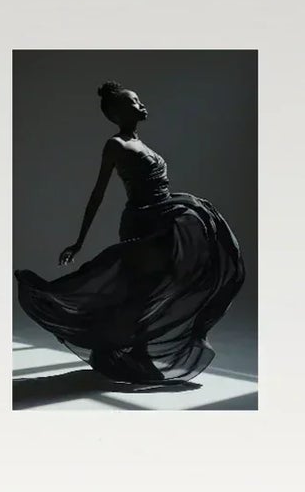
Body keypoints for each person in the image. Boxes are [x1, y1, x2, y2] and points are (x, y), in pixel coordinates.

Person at [15, 80, 246, 387]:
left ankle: (130, 351)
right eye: (132, 102)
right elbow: (98, 193)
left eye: (138, 100)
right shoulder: (116, 145)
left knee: (154, 288)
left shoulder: (141, 144)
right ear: (116, 113)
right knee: (141, 291)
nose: (140, 104)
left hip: (163, 217)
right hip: (144, 222)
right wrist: (79, 241)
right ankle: (128, 351)